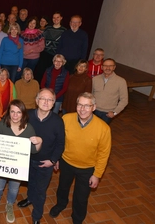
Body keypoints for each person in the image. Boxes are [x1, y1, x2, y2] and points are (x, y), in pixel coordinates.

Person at [49, 92, 111, 224]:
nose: (82, 109)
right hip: (66, 162)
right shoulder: (66, 119)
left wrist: (97, 174)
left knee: (81, 196)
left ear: (94, 107)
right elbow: (59, 141)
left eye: (87, 106)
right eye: (80, 105)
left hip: (87, 168)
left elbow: (104, 154)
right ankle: (61, 204)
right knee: (63, 187)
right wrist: (57, 158)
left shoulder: (103, 128)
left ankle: (77, 218)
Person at [0, 99, 42, 224]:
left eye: (18, 112)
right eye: (12, 112)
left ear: (23, 113)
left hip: (18, 167)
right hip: (2, 164)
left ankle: (10, 204)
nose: (15, 115)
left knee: (13, 189)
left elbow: (34, 151)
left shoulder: (29, 129)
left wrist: (40, 142)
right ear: (8, 112)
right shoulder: (1, 125)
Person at [16, 88, 65, 224]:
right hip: (28, 159)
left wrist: (53, 160)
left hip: (45, 163)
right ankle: (30, 198)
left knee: (41, 191)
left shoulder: (57, 121)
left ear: (54, 103)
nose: (46, 102)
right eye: (43, 98)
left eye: (50, 99)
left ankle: (37, 216)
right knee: (30, 182)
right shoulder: (28, 115)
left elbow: (61, 143)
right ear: (37, 101)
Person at [92, 58, 128, 124]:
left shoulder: (121, 81)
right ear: (102, 67)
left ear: (114, 67)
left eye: (110, 66)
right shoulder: (95, 79)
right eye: (105, 66)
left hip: (107, 113)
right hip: (94, 110)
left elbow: (124, 100)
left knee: (102, 132)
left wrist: (115, 112)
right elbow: (90, 95)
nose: (108, 68)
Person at [35, 12, 66, 82]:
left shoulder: (64, 31)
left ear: (61, 18)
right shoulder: (48, 28)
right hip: (45, 53)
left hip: (55, 55)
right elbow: (41, 39)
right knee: (40, 72)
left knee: (50, 75)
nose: (56, 19)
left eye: (57, 17)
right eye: (54, 17)